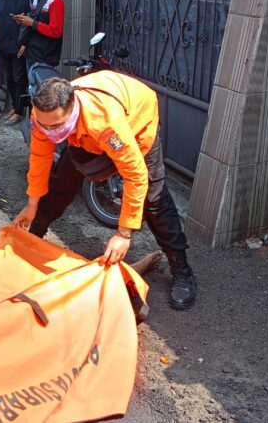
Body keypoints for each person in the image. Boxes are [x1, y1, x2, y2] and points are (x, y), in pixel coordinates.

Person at [12, 67, 198, 310]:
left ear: (72, 111)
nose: (50, 132)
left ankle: (181, 268)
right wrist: (32, 203)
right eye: (46, 126)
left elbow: (135, 174)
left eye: (56, 126)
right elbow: (40, 157)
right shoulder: (44, 117)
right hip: (84, 133)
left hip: (137, 122)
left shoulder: (106, 123)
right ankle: (34, 234)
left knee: (153, 201)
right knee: (61, 181)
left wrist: (123, 234)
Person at [0, 0, 31, 125]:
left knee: (19, 78)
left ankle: (19, 111)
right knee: (9, 77)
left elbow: (29, 24)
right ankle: (15, 106)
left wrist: (24, 43)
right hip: (3, 45)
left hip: (18, 46)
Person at [14, 0, 64, 72]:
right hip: (32, 54)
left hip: (45, 59)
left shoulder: (55, 0)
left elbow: (56, 31)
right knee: (32, 88)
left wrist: (32, 23)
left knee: (42, 89)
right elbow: (35, 22)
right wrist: (25, 21)